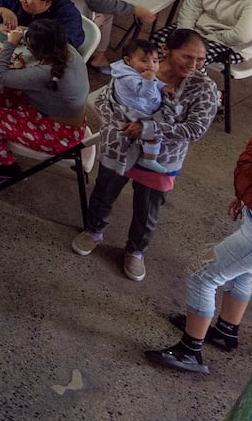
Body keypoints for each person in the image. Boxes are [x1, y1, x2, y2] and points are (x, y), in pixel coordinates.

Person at [73, 28, 220, 282]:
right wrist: (123, 125)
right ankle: (94, 230)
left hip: (161, 158)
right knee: (104, 190)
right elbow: (105, 101)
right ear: (166, 51)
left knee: (148, 207)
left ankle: (136, 250)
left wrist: (148, 128)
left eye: (200, 59)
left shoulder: (203, 88)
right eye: (187, 57)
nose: (194, 65)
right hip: (120, 146)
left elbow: (195, 129)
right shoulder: (137, 67)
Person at [145, 114, 252, 374]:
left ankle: (190, 350)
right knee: (243, 272)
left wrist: (250, 169)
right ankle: (225, 331)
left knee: (201, 275)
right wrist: (248, 193)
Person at [0, 19, 90, 194]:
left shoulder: (44, 73)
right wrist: (29, 32)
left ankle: (8, 167)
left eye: (29, 44)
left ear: (40, 50)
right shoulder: (68, 51)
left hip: (55, 133)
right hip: (55, 115)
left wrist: (10, 43)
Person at [107, 41, 164, 171]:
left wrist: (163, 86)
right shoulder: (128, 77)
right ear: (127, 60)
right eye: (144, 60)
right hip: (133, 111)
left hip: (136, 107)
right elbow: (145, 93)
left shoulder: (133, 71)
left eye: (155, 61)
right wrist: (149, 80)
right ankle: (149, 158)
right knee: (154, 131)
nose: (151, 65)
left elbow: (155, 81)